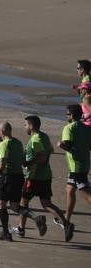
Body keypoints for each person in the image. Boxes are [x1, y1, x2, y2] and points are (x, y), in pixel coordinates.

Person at [17, 114, 68, 238]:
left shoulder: (35, 139)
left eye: (25, 125)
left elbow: (42, 156)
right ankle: (66, 224)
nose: (25, 128)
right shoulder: (44, 136)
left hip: (33, 177)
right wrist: (27, 153)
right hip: (46, 175)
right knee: (46, 203)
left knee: (23, 203)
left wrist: (28, 162)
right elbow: (50, 151)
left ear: (31, 126)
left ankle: (21, 229)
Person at [58, 103, 91, 241]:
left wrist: (60, 144)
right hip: (83, 164)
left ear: (71, 116)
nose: (66, 117)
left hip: (76, 167)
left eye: (67, 114)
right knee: (69, 190)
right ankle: (66, 221)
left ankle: (66, 221)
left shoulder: (68, 128)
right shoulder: (87, 128)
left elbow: (68, 145)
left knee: (87, 195)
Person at [0, 121, 25, 241]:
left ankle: (5, 232)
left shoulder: (4, 144)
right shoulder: (18, 142)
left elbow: (3, 163)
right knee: (15, 205)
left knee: (1, 204)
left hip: (8, 177)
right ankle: (36, 217)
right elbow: (23, 159)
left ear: (2, 132)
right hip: (19, 176)